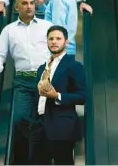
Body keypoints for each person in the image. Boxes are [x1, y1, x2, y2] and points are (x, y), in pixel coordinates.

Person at [0, 0, 53, 164]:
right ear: (17, 7)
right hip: (23, 82)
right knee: (20, 118)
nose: (29, 6)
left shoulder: (47, 26)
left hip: (46, 80)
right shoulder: (9, 30)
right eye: (25, 3)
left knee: (46, 120)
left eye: (32, 3)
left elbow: (58, 51)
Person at [29, 25, 86, 164]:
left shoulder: (74, 66)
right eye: (51, 39)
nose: (54, 41)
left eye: (58, 39)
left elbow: (82, 96)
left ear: (66, 42)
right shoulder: (42, 68)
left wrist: (58, 96)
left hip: (61, 128)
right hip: (39, 127)